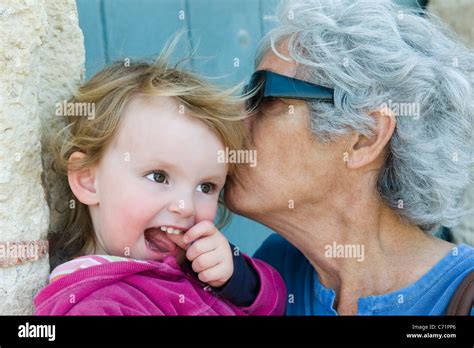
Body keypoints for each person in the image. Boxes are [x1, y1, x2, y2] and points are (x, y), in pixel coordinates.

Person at [224, 0, 474, 315]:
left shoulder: (462, 296)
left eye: (263, 95)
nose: (230, 115)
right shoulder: (272, 273)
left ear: (363, 138)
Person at [34, 51, 286, 315]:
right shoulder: (97, 305)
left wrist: (239, 279)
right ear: (88, 181)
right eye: (159, 176)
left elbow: (277, 303)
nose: (185, 206)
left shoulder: (200, 271)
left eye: (206, 187)